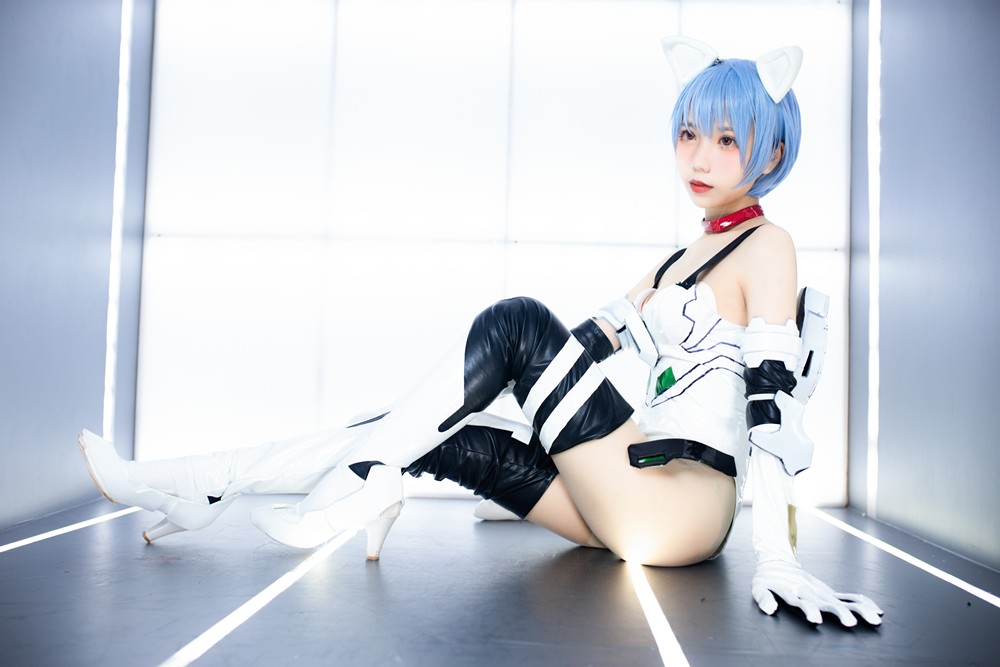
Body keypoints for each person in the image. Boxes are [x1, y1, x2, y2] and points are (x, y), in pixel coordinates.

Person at [78, 36, 882, 627]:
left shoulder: (768, 246)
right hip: (622, 495)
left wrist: (779, 556)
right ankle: (195, 484)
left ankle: (355, 483)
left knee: (514, 323)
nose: (700, 157)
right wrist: (470, 397)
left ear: (773, 149)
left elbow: (773, 410)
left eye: (727, 139)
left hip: (681, 507)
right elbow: (580, 349)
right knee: (424, 426)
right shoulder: (680, 257)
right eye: (689, 134)